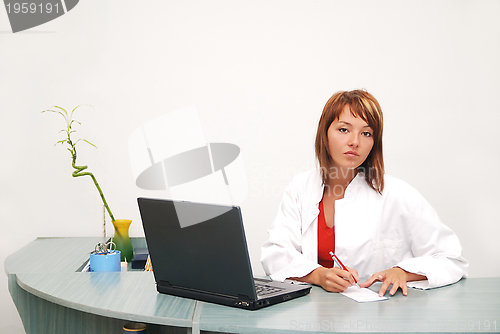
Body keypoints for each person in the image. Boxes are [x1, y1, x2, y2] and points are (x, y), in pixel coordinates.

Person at [260, 90, 468, 297]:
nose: (354, 141)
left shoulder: (398, 194)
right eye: (343, 129)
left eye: (366, 133)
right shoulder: (300, 188)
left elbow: (451, 259)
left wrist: (402, 272)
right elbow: (275, 254)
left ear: (374, 142)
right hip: (312, 316)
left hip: (377, 316)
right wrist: (319, 275)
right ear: (325, 133)